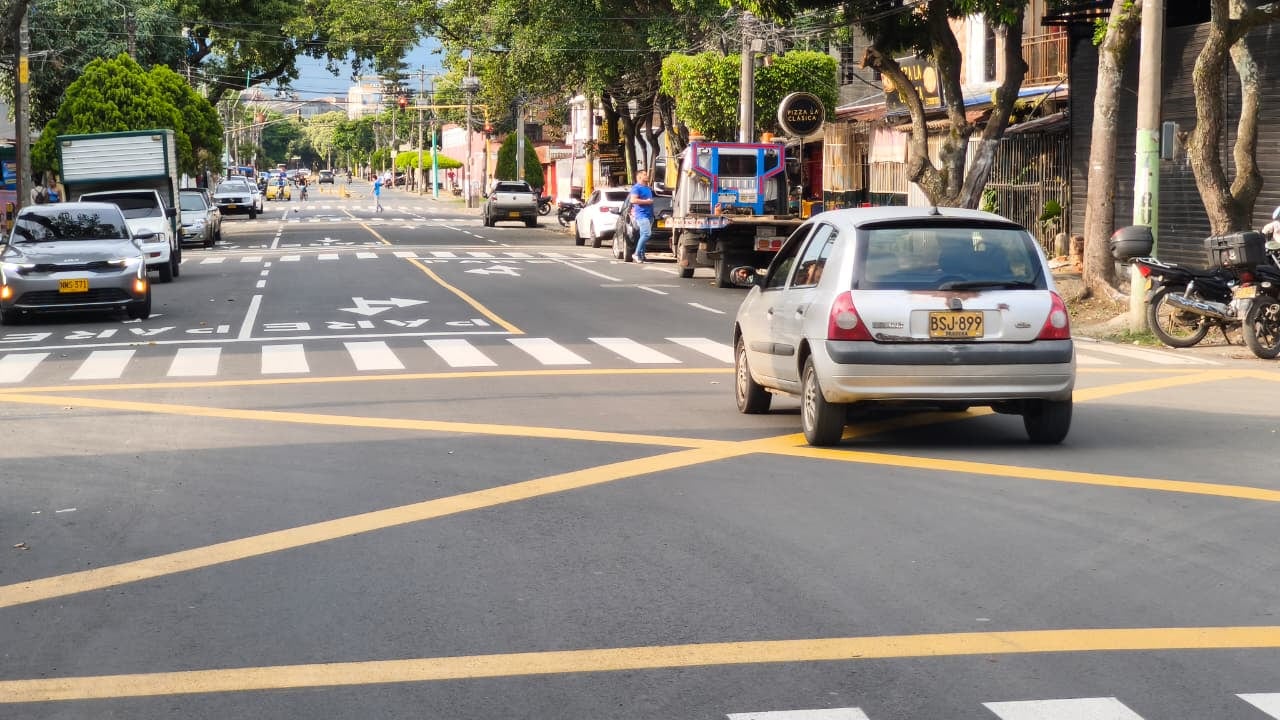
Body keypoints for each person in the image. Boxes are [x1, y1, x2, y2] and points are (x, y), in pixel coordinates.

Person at [628, 169, 655, 263]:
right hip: (641, 215)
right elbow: (633, 200)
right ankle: (636, 254)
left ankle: (641, 255)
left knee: (643, 234)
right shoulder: (636, 188)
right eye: (645, 175)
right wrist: (646, 202)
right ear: (639, 177)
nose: (647, 176)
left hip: (649, 215)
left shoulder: (647, 188)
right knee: (647, 234)